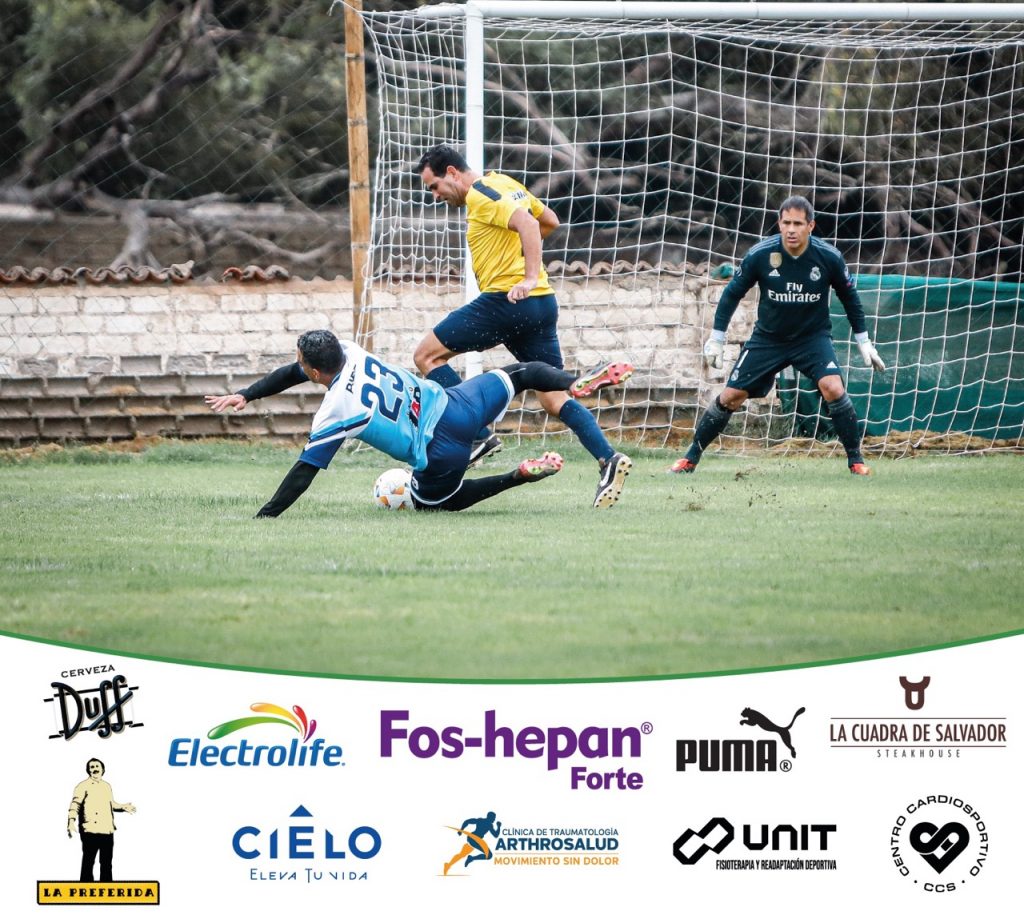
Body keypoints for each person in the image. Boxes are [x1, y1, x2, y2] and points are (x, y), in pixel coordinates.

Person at [415, 144, 633, 507]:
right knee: (554, 396)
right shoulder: (503, 181)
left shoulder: (481, 194)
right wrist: (523, 264)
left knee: (426, 356)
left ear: (452, 172)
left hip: (506, 302)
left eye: (434, 186)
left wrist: (527, 276)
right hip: (541, 305)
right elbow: (550, 221)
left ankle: (477, 435)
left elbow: (530, 224)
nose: (435, 196)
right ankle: (608, 459)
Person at [206, 330, 633, 515]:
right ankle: (572, 382)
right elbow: (294, 371)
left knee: (439, 503)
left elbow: (304, 472)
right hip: (457, 403)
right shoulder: (349, 349)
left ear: (315, 372)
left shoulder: (336, 409)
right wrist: (248, 394)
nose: (298, 367)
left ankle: (518, 475)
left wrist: (266, 516)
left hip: (439, 451)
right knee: (523, 373)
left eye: (302, 363)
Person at [670, 195, 886, 476]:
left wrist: (864, 342)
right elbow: (732, 293)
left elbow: (850, 298)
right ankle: (690, 458)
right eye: (786, 223)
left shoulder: (828, 257)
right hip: (769, 339)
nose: (791, 229)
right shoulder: (761, 254)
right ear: (779, 224)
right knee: (731, 396)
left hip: (812, 338)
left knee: (833, 388)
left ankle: (856, 461)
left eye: (798, 223)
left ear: (811, 226)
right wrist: (717, 338)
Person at [67, 758, 136, 882]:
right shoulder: (82, 786)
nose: (95, 769)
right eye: (92, 767)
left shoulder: (106, 786)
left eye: (97, 766)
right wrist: (71, 821)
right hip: (90, 830)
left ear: (103, 769)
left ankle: (107, 889)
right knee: (88, 862)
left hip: (107, 830)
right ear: (88, 770)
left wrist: (123, 807)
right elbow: (75, 804)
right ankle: (85, 889)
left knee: (106, 863)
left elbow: (112, 804)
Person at [444, 811, 502, 875]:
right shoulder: (489, 825)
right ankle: (471, 858)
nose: (494, 820)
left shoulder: (480, 820)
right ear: (490, 817)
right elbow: (496, 835)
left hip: (471, 838)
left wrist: (461, 830)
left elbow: (467, 821)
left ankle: (448, 865)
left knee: (462, 854)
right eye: (494, 818)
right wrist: (499, 826)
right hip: (476, 840)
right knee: (489, 855)